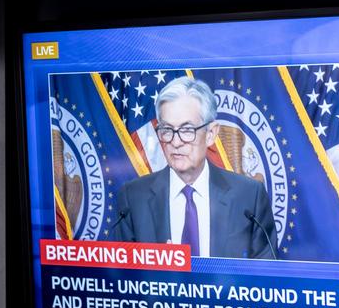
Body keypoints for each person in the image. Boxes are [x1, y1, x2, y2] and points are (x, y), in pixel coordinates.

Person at [112, 76, 277, 259]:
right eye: (167, 130)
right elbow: (122, 280)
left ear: (211, 134)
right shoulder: (133, 199)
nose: (175, 142)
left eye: (187, 130)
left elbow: (265, 279)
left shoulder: (249, 196)